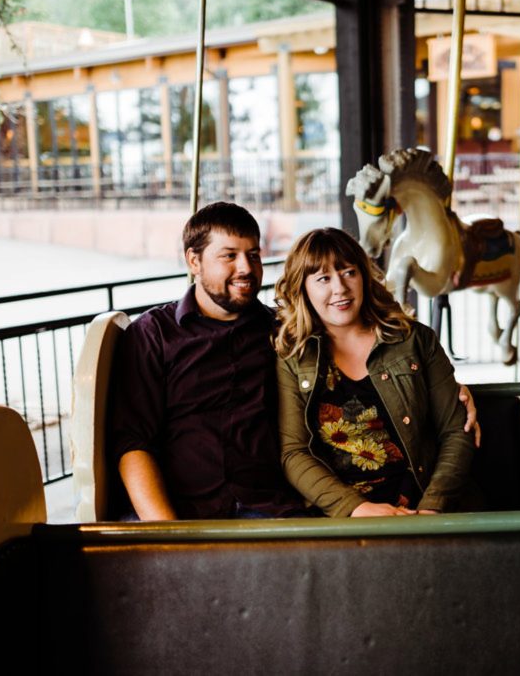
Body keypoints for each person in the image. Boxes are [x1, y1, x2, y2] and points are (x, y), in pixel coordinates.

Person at [111, 202, 477, 520]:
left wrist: (453, 390)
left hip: (268, 508)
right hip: (182, 508)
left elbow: (386, 361)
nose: (246, 267)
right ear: (194, 261)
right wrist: (170, 534)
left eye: (253, 255)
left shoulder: (283, 334)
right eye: (229, 256)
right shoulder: (154, 334)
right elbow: (131, 441)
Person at [274, 227, 476, 518]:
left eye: (349, 272)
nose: (340, 288)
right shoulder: (292, 357)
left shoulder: (414, 340)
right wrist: (356, 508)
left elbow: (456, 430)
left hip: (422, 503)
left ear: (364, 276)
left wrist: (433, 506)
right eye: (323, 279)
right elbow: (294, 452)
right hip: (344, 514)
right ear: (303, 288)